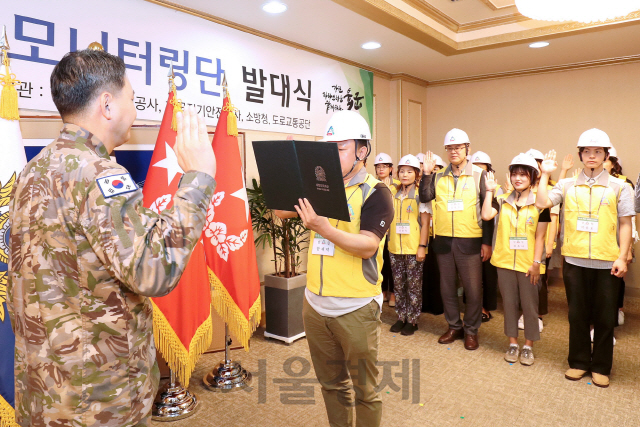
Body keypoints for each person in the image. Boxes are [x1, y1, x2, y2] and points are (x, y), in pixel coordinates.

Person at [7, 50, 217, 426]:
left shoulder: (32, 170)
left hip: (44, 391)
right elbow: (154, 271)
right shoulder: (100, 175)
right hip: (96, 399)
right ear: (107, 104)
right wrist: (198, 178)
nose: (135, 112)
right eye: (132, 99)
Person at [277, 110, 393, 427]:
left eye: (340, 148)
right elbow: (278, 211)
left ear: (361, 150)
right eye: (327, 148)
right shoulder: (320, 186)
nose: (332, 155)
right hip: (315, 304)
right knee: (331, 385)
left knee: (365, 390)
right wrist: (287, 165)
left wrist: (324, 229)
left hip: (356, 307)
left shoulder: (377, 192)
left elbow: (368, 245)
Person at [535, 128, 634, 388]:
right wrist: (545, 174)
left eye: (597, 151)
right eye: (587, 151)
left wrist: (622, 257)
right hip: (574, 261)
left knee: (604, 316)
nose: (592, 156)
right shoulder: (567, 185)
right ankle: (578, 362)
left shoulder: (619, 186)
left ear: (605, 155)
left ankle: (601, 365)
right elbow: (542, 203)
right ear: (580, 155)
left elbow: (626, 224)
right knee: (577, 315)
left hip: (606, 261)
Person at [420, 128, 494, 351]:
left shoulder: (480, 175)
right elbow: (424, 197)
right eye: (450, 148)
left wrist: (487, 242)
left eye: (458, 147)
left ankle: (471, 330)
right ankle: (454, 326)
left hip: (470, 240)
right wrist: (426, 173)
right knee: (447, 288)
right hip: (443, 240)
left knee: (473, 290)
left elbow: (489, 211)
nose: (454, 151)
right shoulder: (439, 175)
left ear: (467, 149)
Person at [482, 154, 550, 366]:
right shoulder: (502, 200)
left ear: (532, 177)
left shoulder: (541, 204)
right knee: (509, 305)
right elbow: (485, 215)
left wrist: (537, 263)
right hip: (504, 262)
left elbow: (540, 236)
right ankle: (512, 343)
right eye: (514, 174)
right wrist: (490, 190)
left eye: (523, 174)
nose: (518, 178)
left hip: (529, 264)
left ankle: (528, 346)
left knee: (530, 307)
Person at [388, 155, 430, 335]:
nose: (405, 175)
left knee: (413, 285)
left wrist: (422, 246)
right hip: (395, 247)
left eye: (409, 171)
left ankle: (412, 320)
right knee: (399, 285)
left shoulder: (422, 196)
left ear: (417, 174)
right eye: (402, 171)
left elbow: (426, 223)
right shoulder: (394, 194)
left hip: (414, 248)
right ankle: (401, 316)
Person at [470, 151, 499, 323]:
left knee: (487, 274)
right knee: (471, 276)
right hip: (468, 235)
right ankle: (472, 306)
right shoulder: (466, 184)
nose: (479, 171)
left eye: (482, 167)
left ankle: (485, 307)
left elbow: (489, 216)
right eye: (476, 167)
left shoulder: (495, 189)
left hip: (488, 236)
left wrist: (487, 242)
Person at [374, 152, 399, 306]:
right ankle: (383, 291)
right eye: (378, 167)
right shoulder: (372, 184)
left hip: (396, 230)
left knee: (393, 264)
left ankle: (394, 294)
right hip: (378, 229)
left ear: (391, 168)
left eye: (384, 166)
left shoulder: (398, 185)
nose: (381, 169)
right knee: (381, 262)